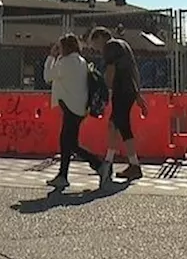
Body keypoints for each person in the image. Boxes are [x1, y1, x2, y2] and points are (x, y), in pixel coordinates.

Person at [87, 26, 147, 183]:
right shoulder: (123, 45)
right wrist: (138, 94)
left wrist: (106, 89)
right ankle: (110, 161)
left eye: (94, 44)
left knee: (122, 125)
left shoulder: (109, 46)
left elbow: (111, 70)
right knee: (114, 125)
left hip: (121, 89)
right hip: (129, 90)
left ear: (99, 37)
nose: (95, 48)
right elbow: (133, 70)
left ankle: (132, 164)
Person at [43, 33, 103, 189]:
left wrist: (51, 57)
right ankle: (63, 175)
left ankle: (98, 164)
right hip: (79, 107)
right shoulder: (81, 61)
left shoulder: (65, 62)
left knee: (69, 143)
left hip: (69, 107)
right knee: (68, 142)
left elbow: (47, 76)